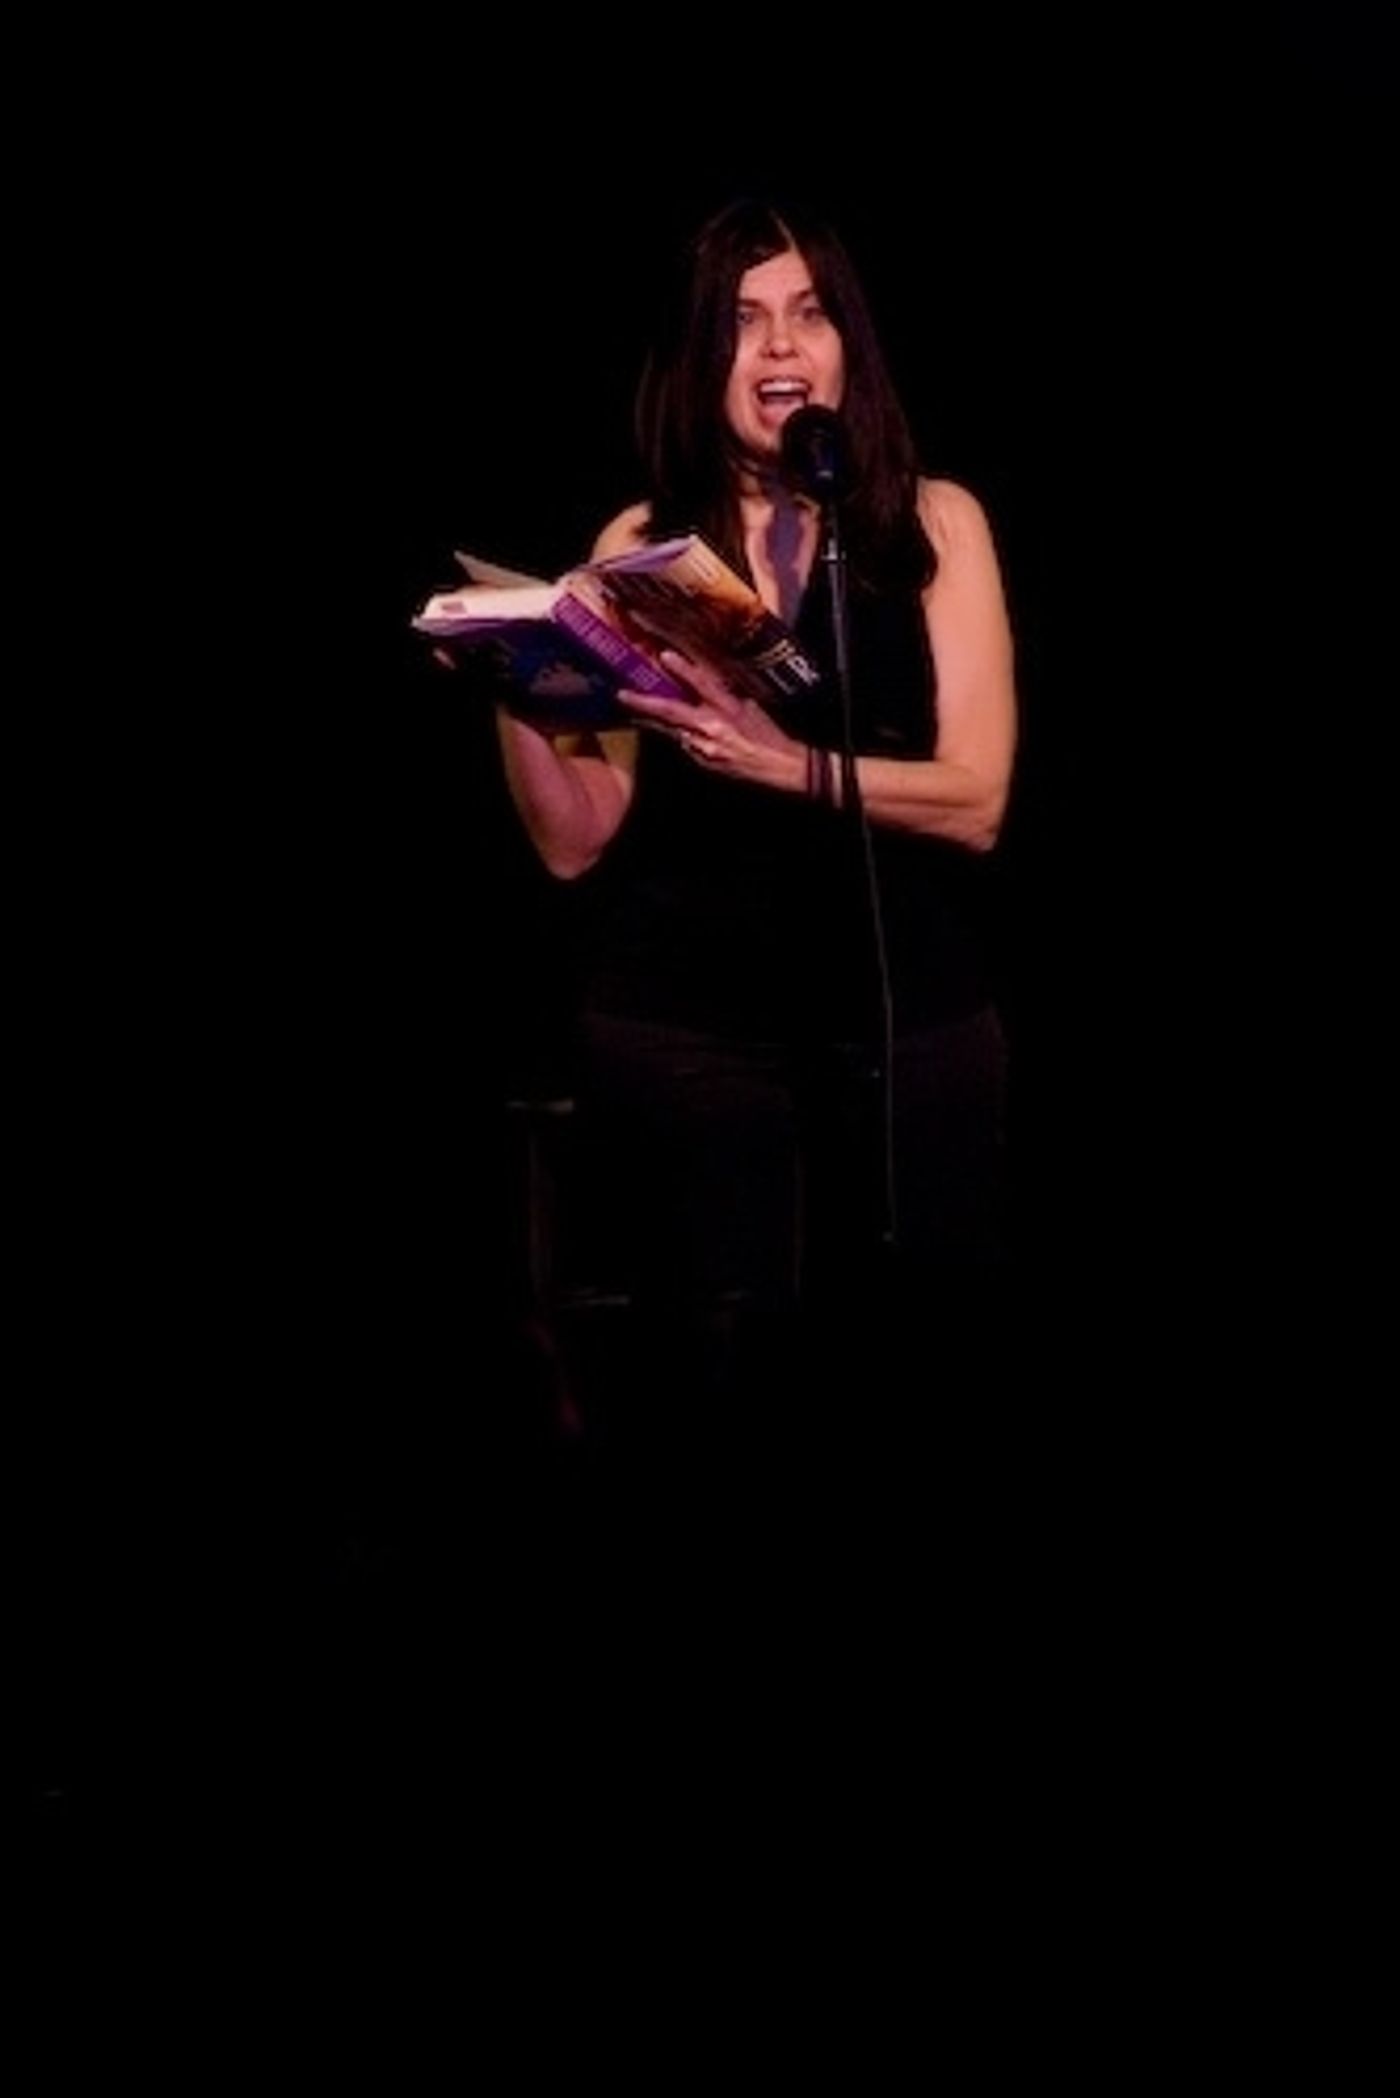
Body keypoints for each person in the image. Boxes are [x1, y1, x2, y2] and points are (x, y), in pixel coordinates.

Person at [484, 194, 1019, 1484]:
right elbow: (575, 841)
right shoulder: (644, 546)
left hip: (905, 1033)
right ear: (700, 354)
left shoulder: (933, 524)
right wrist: (520, 681)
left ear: (847, 346)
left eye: (809, 313)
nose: (782, 346)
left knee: (908, 1386)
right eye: (743, 321)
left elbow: (978, 798)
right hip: (689, 1036)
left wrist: (787, 766)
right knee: (718, 1408)